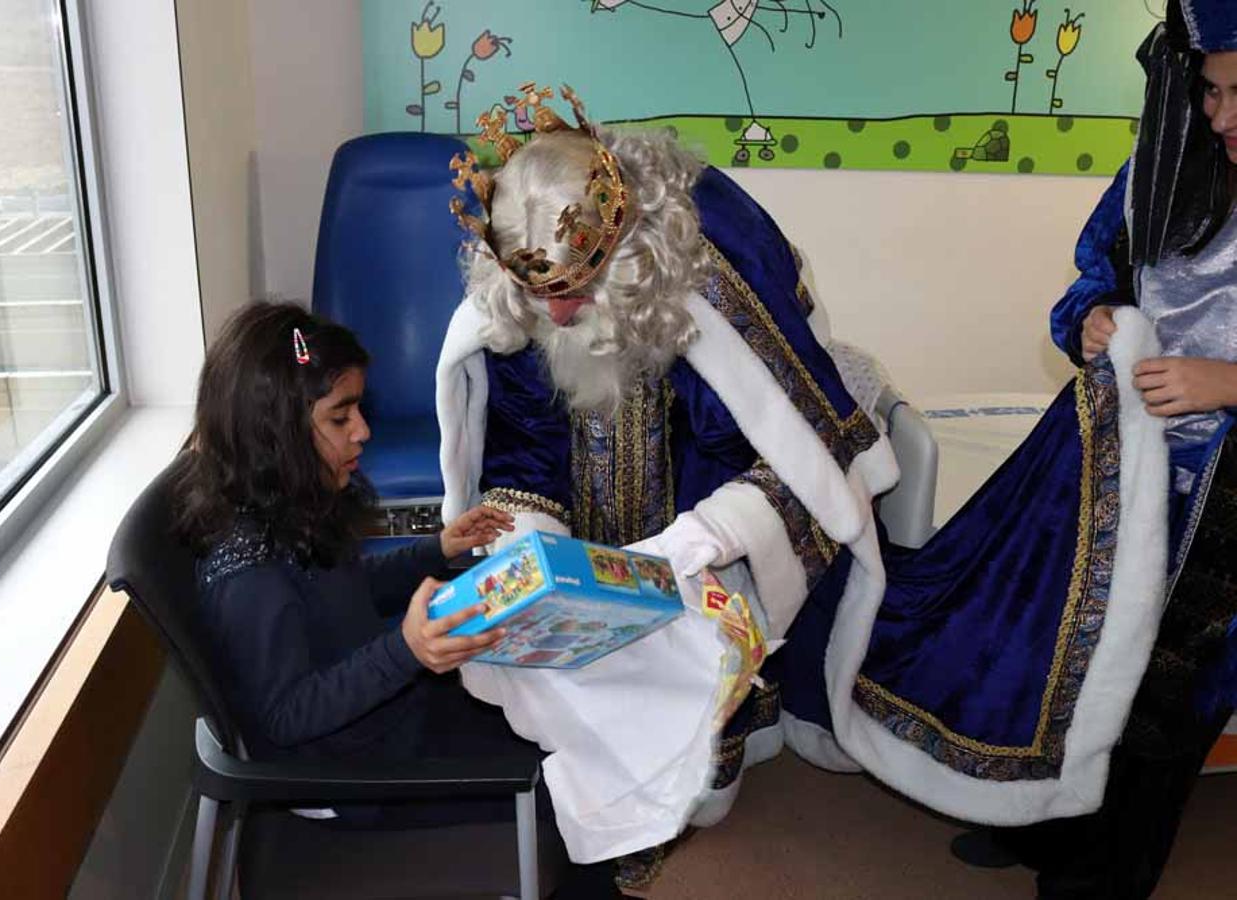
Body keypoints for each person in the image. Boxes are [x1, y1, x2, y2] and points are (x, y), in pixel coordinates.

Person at [436, 84, 898, 879]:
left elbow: (782, 450)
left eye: (576, 290)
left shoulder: (710, 292)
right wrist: (537, 549)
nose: (561, 316)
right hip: (592, 535)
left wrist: (698, 539)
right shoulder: (525, 305)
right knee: (554, 649)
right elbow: (520, 450)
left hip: (698, 512)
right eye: (542, 295)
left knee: (699, 720)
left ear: (624, 254)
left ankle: (703, 755)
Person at [171, 301, 622, 898]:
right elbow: (287, 717)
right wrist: (405, 650)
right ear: (274, 433)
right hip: (355, 775)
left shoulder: (285, 509)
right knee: (580, 781)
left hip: (385, 717)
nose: (363, 430)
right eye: (340, 417)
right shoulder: (248, 573)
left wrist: (435, 549)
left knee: (562, 716)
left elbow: (348, 588)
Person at [949, 3, 1237, 895]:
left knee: (1161, 703)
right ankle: (1041, 826)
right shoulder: (1172, 169)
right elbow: (1088, 281)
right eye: (1213, 92)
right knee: (1067, 652)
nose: (1220, 117)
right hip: (1127, 464)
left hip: (1224, 508)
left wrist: (1230, 385)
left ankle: (1098, 876)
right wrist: (1091, 318)